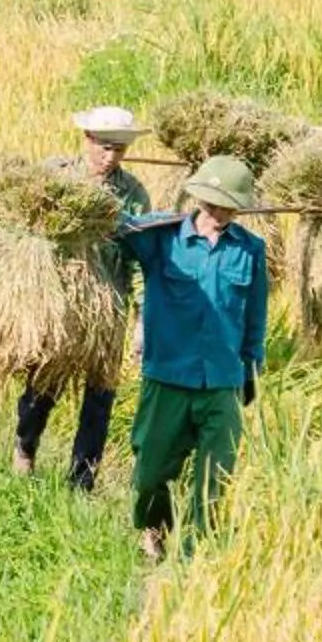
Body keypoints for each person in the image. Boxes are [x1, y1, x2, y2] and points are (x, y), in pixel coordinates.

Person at [114, 154, 269, 561]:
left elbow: (255, 317)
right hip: (167, 377)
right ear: (198, 199)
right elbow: (115, 228)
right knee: (150, 471)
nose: (220, 212)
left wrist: (251, 371)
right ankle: (153, 528)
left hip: (221, 382)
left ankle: (196, 552)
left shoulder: (251, 250)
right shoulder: (162, 240)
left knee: (215, 475)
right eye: (213, 203)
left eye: (229, 205)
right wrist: (139, 219)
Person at [14, 105, 151, 492]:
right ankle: (25, 446)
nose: (110, 157)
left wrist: (142, 314)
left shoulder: (133, 194)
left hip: (108, 306)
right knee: (44, 383)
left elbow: (139, 258)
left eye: (119, 150)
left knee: (100, 396)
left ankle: (82, 482)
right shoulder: (55, 178)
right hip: (59, 300)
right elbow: (22, 232)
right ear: (86, 140)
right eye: (104, 147)